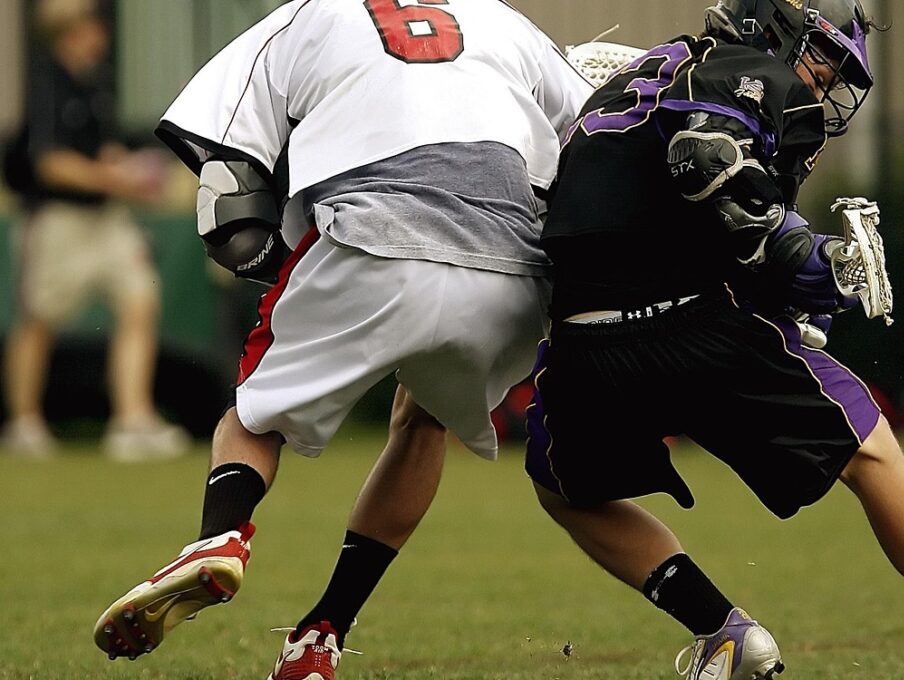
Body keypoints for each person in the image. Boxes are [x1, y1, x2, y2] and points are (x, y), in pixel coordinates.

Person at [524, 1, 904, 679]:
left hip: (584, 343)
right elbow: (705, 159)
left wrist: (784, 285)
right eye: (824, 55)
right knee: (870, 445)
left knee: (566, 490)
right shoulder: (742, 70)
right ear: (774, 24)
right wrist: (801, 252)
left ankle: (723, 634)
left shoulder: (650, 78)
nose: (826, 79)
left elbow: (647, 209)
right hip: (688, 324)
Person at [91, 0, 591, 677]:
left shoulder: (309, 15)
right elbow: (598, 137)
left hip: (373, 233)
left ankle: (219, 537)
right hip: (511, 266)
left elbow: (227, 184)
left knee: (254, 416)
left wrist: (273, 260)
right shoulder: (503, 19)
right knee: (424, 422)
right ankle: (321, 633)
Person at [1, 0, 190, 461]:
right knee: (39, 319)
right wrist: (113, 178)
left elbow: (101, 150)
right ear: (70, 32)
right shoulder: (46, 83)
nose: (101, 33)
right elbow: (50, 163)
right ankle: (24, 424)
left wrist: (132, 172)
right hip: (57, 220)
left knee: (140, 302)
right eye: (91, 25)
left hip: (107, 220)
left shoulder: (97, 83)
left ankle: (132, 420)